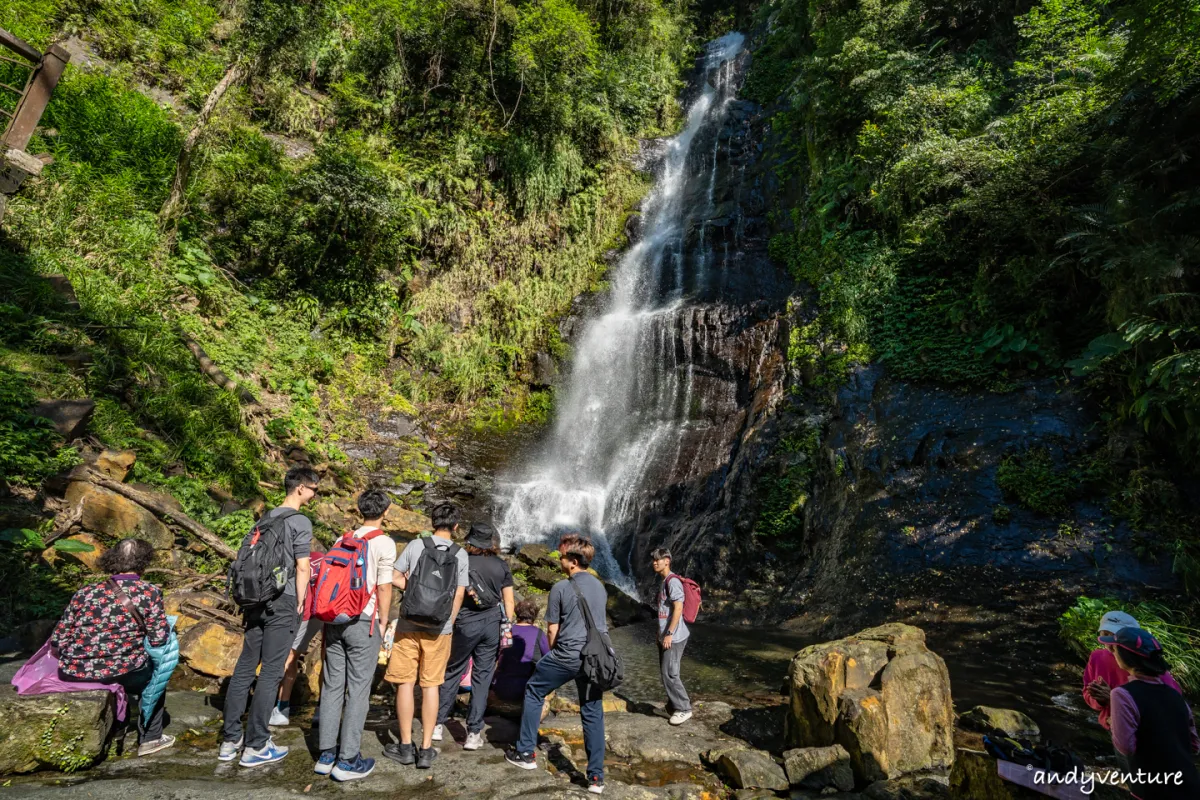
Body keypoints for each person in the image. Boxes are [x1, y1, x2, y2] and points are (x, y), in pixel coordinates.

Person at [220, 465, 317, 767]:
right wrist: (301, 603)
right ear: (300, 487)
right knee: (272, 671)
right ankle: (257, 745)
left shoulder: (266, 518)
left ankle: (230, 739)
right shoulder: (300, 521)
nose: (315, 495)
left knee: (245, 667)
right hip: (282, 600)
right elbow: (303, 567)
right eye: (314, 489)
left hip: (254, 600)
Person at [51, 537, 175, 756]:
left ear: (113, 560)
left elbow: (58, 639)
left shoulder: (85, 592)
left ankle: (118, 726)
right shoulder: (149, 592)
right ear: (144, 562)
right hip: (121, 670)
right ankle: (150, 739)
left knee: (126, 666)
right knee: (156, 678)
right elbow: (158, 640)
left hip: (75, 670)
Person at [506, 534, 609, 795]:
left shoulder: (561, 588)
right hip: (596, 657)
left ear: (573, 561)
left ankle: (526, 752)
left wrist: (552, 659)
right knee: (592, 710)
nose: (558, 559)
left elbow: (552, 631)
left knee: (534, 690)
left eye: (562, 556)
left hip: (568, 654)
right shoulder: (600, 587)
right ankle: (596, 778)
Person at [313, 489, 397, 781]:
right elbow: (385, 586)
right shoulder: (384, 542)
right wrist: (384, 621)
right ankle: (348, 760)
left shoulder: (342, 539)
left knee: (333, 684)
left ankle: (326, 756)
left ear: (361, 510)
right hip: (364, 620)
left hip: (334, 618)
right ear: (385, 512)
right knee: (359, 689)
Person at [382, 502, 468, 769]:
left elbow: (394, 577)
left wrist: (415, 592)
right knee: (431, 685)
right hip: (440, 629)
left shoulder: (416, 546)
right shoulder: (461, 554)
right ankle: (427, 748)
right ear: (455, 527)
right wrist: (448, 621)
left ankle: (405, 747)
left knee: (405, 683)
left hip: (409, 623)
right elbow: (459, 593)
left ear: (432, 522)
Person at [433, 522, 515, 750]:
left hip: (465, 623)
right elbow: (509, 601)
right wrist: (506, 625)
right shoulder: (502, 565)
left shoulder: (461, 560)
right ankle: (473, 733)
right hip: (491, 625)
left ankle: (437, 724)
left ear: (471, 541)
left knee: (453, 671)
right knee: (483, 677)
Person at [1101, 626, 1200, 799]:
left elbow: (1126, 747)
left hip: (1152, 790)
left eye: (1114, 649)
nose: (1112, 652)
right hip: (1190, 786)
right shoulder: (1175, 696)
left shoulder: (1121, 694)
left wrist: (1113, 723)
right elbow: (1194, 745)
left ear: (1126, 656)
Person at [1084, 610, 1183, 729]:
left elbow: (1171, 711)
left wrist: (1113, 700)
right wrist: (1100, 700)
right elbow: (1088, 692)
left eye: (1116, 636)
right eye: (1105, 634)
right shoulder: (1097, 657)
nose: (1110, 643)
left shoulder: (1152, 668)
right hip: (1112, 725)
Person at [271, 538, 328, 727]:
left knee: (289, 657)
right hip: (328, 609)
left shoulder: (289, 561)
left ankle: (282, 708)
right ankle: (322, 710)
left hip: (305, 611)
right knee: (326, 658)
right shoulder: (322, 558)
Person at [651, 547, 691, 725]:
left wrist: (669, 633)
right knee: (665, 672)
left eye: (657, 560)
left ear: (667, 561)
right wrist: (660, 633)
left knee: (671, 673)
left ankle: (684, 709)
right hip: (666, 635)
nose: (654, 562)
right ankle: (671, 707)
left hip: (674, 637)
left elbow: (678, 608)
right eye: (653, 560)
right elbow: (664, 611)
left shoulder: (672, 581)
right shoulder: (664, 580)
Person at [490, 599, 550, 709]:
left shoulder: (507, 631)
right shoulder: (538, 634)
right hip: (525, 689)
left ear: (517, 613)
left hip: (501, 686)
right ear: (534, 615)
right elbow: (549, 659)